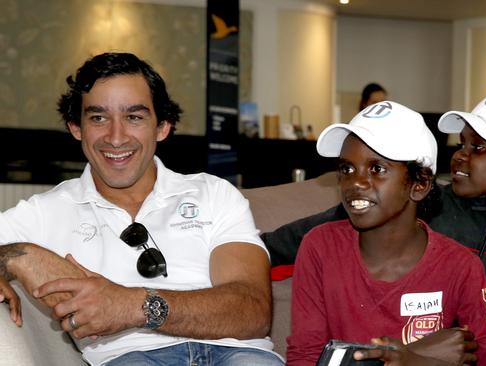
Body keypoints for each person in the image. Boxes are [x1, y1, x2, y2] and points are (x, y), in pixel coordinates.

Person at [264, 89, 486, 365]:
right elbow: (298, 242)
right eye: (461, 144)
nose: (459, 155)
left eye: (478, 148)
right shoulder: (408, 208)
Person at [0, 52, 283, 366]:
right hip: (131, 358)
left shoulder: (213, 194)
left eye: (134, 117)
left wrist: (131, 305)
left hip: (239, 355)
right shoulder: (46, 212)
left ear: (162, 127)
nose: (116, 137)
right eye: (98, 118)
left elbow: (252, 310)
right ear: (76, 128)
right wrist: (15, 255)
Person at [286, 100, 486, 365]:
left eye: (377, 169)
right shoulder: (321, 247)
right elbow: (304, 357)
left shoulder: (459, 265)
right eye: (346, 169)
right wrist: (417, 356)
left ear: (420, 185)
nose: (355, 182)